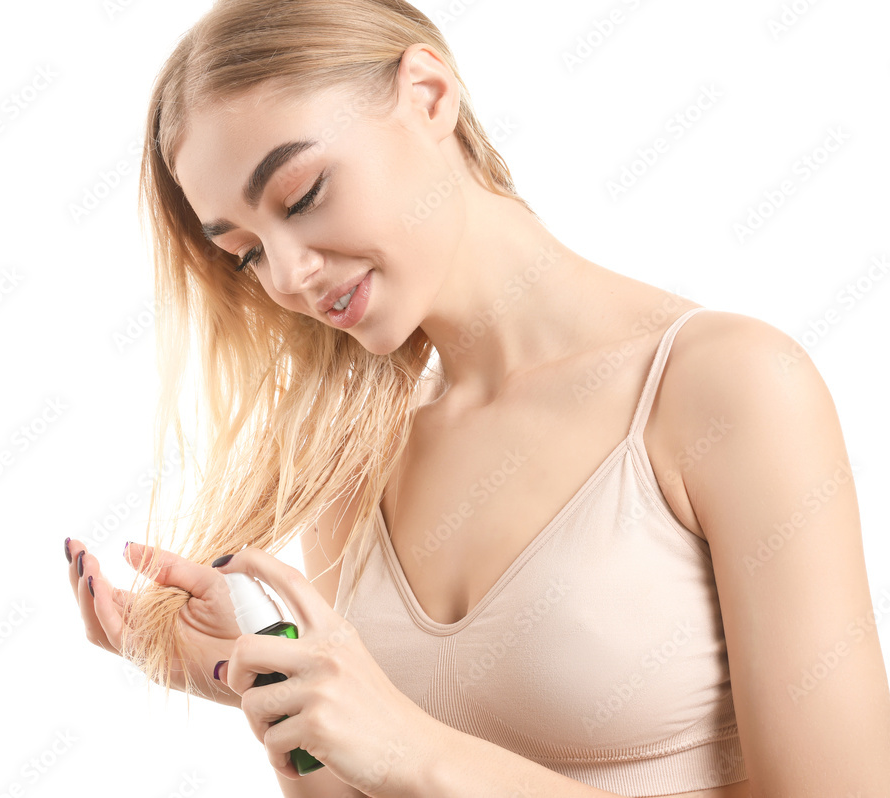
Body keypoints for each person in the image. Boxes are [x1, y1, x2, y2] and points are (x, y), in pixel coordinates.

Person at [64, 1, 890, 796]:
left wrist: (413, 749)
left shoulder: (723, 388)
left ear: (429, 95)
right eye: (245, 253)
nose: (287, 276)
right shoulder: (354, 470)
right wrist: (279, 688)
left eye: (304, 195)